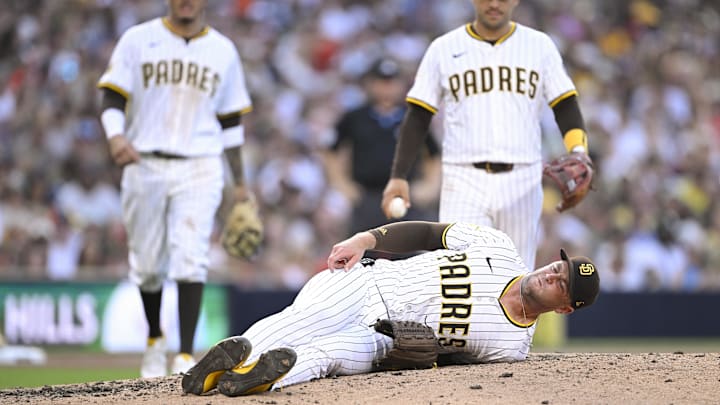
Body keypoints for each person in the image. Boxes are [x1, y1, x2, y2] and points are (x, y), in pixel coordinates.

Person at [181, 220, 600, 397]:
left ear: (564, 309)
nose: (552, 274)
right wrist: (366, 239)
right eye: (559, 266)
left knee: (328, 355)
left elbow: (454, 363)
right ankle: (221, 368)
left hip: (383, 338)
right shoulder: (501, 248)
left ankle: (252, 380)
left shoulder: (511, 346)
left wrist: (425, 357)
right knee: (303, 320)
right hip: (368, 283)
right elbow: (428, 232)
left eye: (563, 283)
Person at [97, 0, 253, 377]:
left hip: (201, 164)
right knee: (148, 265)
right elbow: (112, 98)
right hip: (143, 161)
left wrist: (241, 185)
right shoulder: (138, 39)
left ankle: (185, 354)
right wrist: (115, 136)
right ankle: (154, 339)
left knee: (191, 254)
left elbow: (230, 123)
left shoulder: (223, 49)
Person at [380, 0, 593, 272]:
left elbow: (565, 104)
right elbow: (419, 115)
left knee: (516, 279)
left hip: (522, 179)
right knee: (459, 276)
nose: (494, 4)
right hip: (463, 178)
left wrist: (579, 152)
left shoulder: (539, 46)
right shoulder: (444, 48)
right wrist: (398, 175)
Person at [323, 58, 441, 238]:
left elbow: (434, 155)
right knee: (361, 256)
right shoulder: (355, 117)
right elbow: (331, 151)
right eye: (381, 82)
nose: (386, 88)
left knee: (410, 255)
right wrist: (342, 184)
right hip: (367, 197)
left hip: (405, 198)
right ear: (370, 84)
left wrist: (429, 186)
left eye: (391, 83)